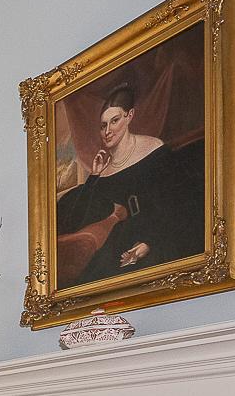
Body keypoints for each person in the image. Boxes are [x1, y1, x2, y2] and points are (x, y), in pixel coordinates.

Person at [54, 84, 204, 288]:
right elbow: (76, 221)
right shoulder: (102, 170)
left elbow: (179, 207)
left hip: (158, 238)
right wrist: (94, 177)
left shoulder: (154, 151)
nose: (107, 131)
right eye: (103, 125)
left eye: (114, 121)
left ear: (129, 116)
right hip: (116, 246)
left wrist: (148, 243)